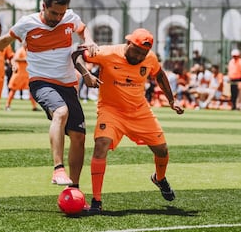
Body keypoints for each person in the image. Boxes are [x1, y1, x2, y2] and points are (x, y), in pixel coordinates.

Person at [0, 0, 98, 189]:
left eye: (62, 13)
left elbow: (82, 29)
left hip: (68, 84)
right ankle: (58, 169)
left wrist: (88, 40)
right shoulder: (28, 23)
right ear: (43, 6)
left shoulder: (69, 18)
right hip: (41, 82)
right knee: (61, 112)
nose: (58, 17)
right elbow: (4, 41)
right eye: (54, 13)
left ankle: (74, 190)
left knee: (79, 137)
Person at [72, 28, 185, 214]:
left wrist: (172, 101)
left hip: (139, 111)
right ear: (129, 43)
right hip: (111, 111)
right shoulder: (107, 53)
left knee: (162, 150)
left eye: (144, 53)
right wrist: (86, 74)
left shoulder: (150, 58)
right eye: (137, 51)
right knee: (101, 145)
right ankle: (96, 201)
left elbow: (159, 75)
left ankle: (159, 178)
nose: (140, 56)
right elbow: (76, 55)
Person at [5, 45, 39, 111]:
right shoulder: (20, 50)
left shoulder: (29, 51)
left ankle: (34, 107)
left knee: (31, 91)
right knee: (13, 90)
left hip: (26, 74)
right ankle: (7, 105)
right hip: (18, 74)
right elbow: (15, 59)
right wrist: (25, 60)